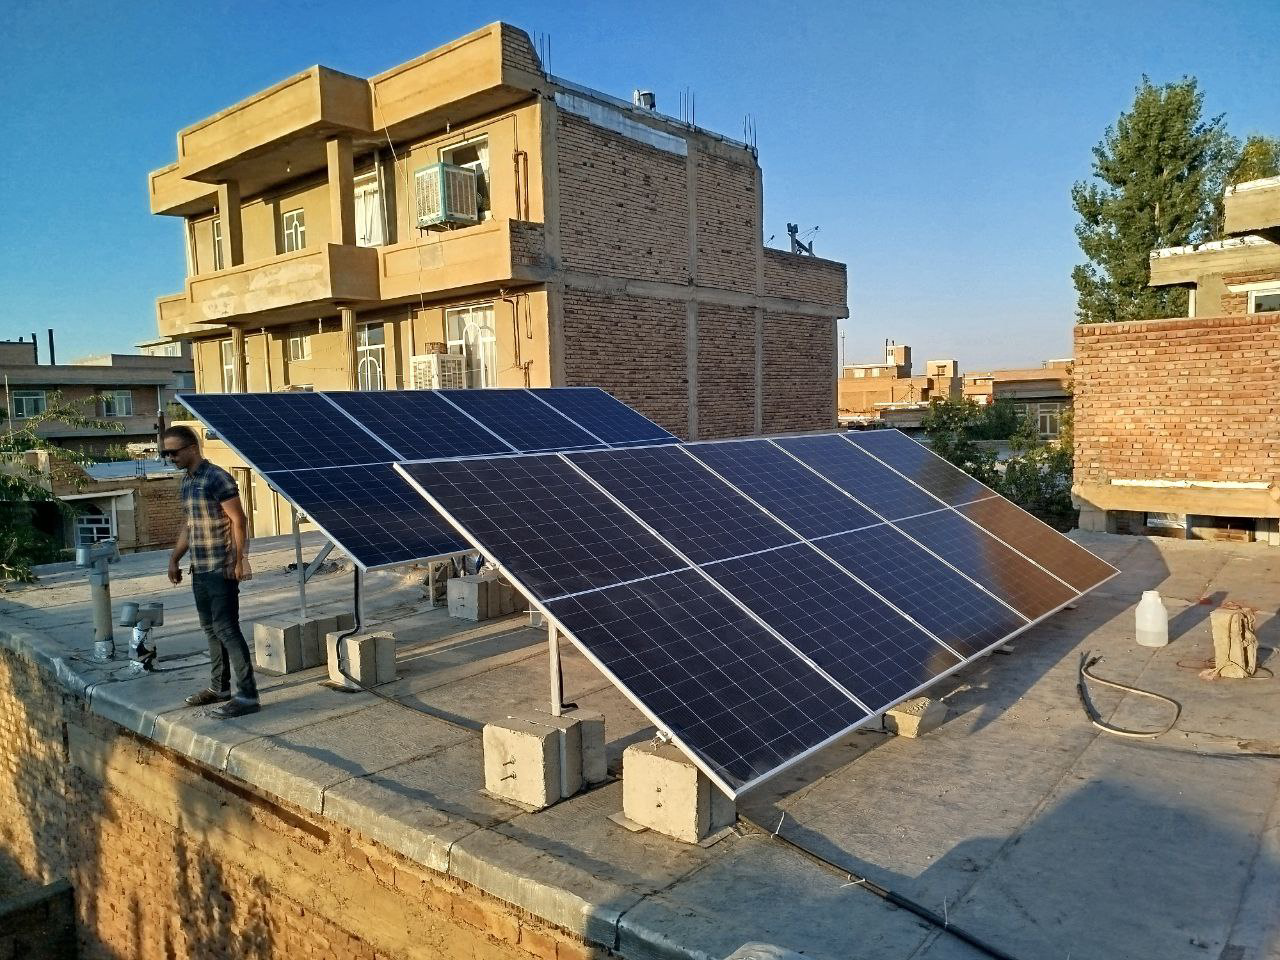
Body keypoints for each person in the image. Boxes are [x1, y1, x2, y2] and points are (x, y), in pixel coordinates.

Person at [162, 425, 260, 718]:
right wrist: (174, 559)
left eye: (174, 452)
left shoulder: (217, 478)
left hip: (221, 566)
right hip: (200, 567)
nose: (170, 458)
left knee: (227, 628)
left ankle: (247, 696)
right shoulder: (187, 482)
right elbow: (189, 525)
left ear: (192, 447)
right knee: (210, 628)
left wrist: (240, 559)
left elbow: (239, 520)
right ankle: (220, 688)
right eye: (166, 453)